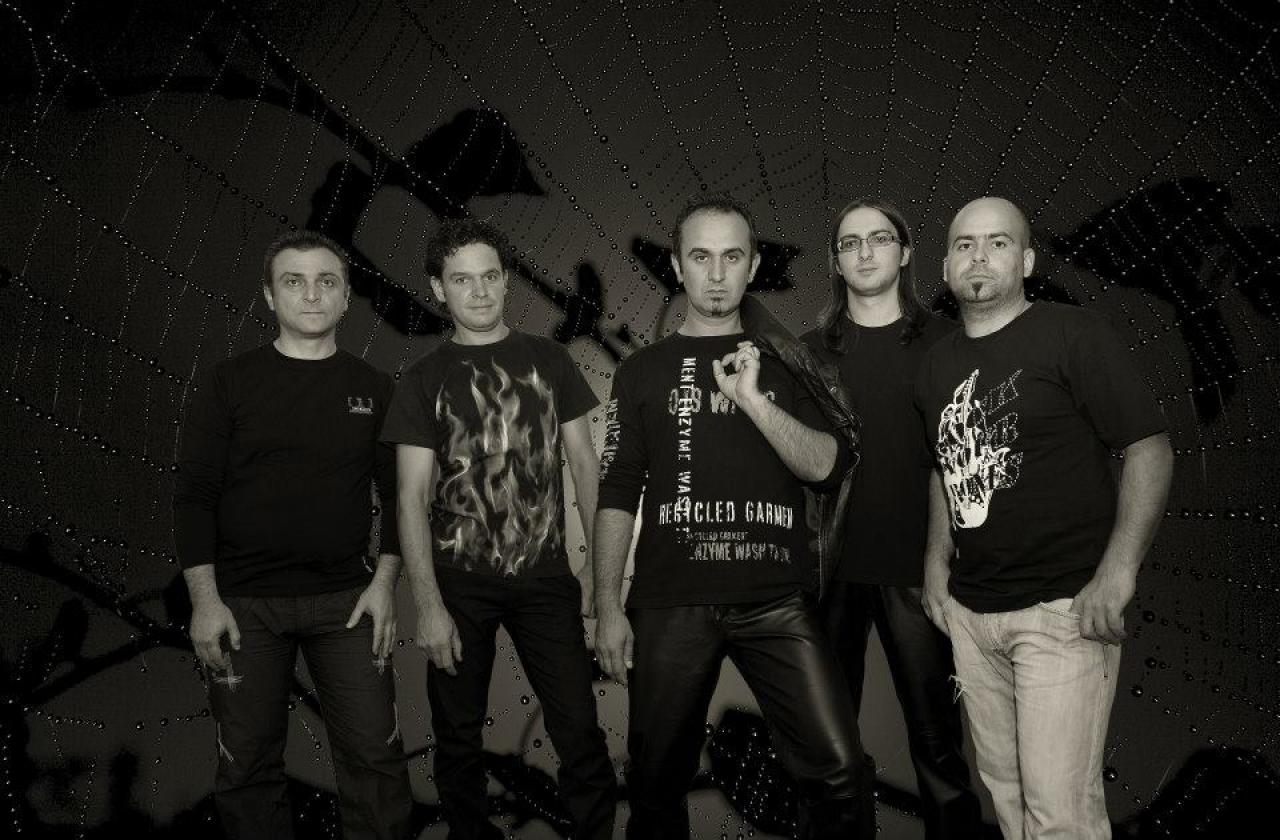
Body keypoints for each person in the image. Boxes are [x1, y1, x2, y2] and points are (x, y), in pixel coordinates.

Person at [593, 195, 875, 840]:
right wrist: (607, 606)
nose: (716, 275)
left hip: (774, 598)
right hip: (670, 602)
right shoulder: (640, 371)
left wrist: (753, 400)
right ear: (677, 266)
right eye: (700, 257)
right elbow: (617, 491)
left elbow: (828, 467)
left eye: (731, 257)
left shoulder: (791, 362)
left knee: (839, 772)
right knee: (655, 784)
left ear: (751, 266)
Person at [916, 197, 1174, 839]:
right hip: (973, 618)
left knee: (1060, 814)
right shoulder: (935, 365)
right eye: (964, 245)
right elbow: (944, 468)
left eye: (998, 243)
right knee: (1008, 800)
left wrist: (1118, 573)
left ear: (1027, 261)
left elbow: (1148, 448)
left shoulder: (1072, 333)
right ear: (945, 267)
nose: (979, 256)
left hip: (1062, 613)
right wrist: (934, 563)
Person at [381, 219, 616, 840]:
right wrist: (428, 606)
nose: (479, 291)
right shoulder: (422, 379)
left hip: (546, 578)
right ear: (439, 288)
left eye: (490, 276)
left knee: (580, 730)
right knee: (457, 740)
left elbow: (585, 467)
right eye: (462, 280)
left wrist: (599, 574)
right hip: (458, 582)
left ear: (507, 280)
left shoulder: (551, 360)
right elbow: (410, 498)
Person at [174, 230, 412, 840]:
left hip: (347, 603)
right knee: (246, 768)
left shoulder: (376, 387)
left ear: (346, 296)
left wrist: (385, 584)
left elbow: (402, 498)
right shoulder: (228, 382)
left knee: (376, 760)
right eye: (294, 282)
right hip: (242, 606)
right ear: (269, 295)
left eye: (326, 281)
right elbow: (194, 496)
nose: (311, 295)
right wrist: (204, 601)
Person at [802, 199, 983, 840]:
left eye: (879, 239)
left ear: (905, 253)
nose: (865, 252)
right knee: (827, 753)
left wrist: (946, 561)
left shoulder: (948, 342)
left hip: (920, 569)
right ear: (836, 262)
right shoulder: (808, 353)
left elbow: (965, 456)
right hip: (829, 574)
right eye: (850, 243)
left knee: (938, 746)